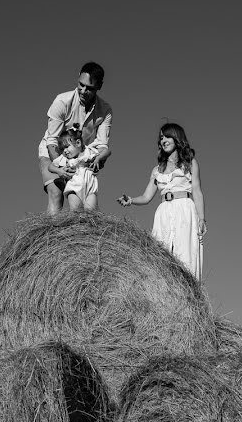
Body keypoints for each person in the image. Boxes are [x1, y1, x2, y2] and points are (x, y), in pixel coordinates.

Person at [116, 122, 206, 279]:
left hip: (184, 210)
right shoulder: (157, 169)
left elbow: (197, 191)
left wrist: (202, 218)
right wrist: (130, 200)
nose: (163, 140)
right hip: (163, 213)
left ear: (177, 137)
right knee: (162, 255)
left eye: (167, 136)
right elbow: (146, 197)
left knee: (185, 255)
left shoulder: (189, 163)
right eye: (161, 138)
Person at [38, 62, 112, 214]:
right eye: (81, 85)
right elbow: (52, 142)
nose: (84, 91)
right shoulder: (62, 102)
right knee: (56, 193)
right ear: (78, 77)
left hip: (80, 159)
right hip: (52, 154)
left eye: (89, 88)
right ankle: (52, 236)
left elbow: (102, 145)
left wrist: (98, 159)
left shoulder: (105, 111)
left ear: (99, 86)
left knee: (84, 203)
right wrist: (61, 168)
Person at [49, 127, 99, 211]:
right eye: (62, 149)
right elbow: (50, 166)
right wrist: (59, 171)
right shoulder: (65, 159)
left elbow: (106, 151)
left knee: (90, 211)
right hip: (73, 190)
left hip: (90, 190)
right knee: (76, 210)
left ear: (78, 143)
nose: (65, 151)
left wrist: (98, 159)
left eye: (67, 147)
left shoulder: (88, 152)